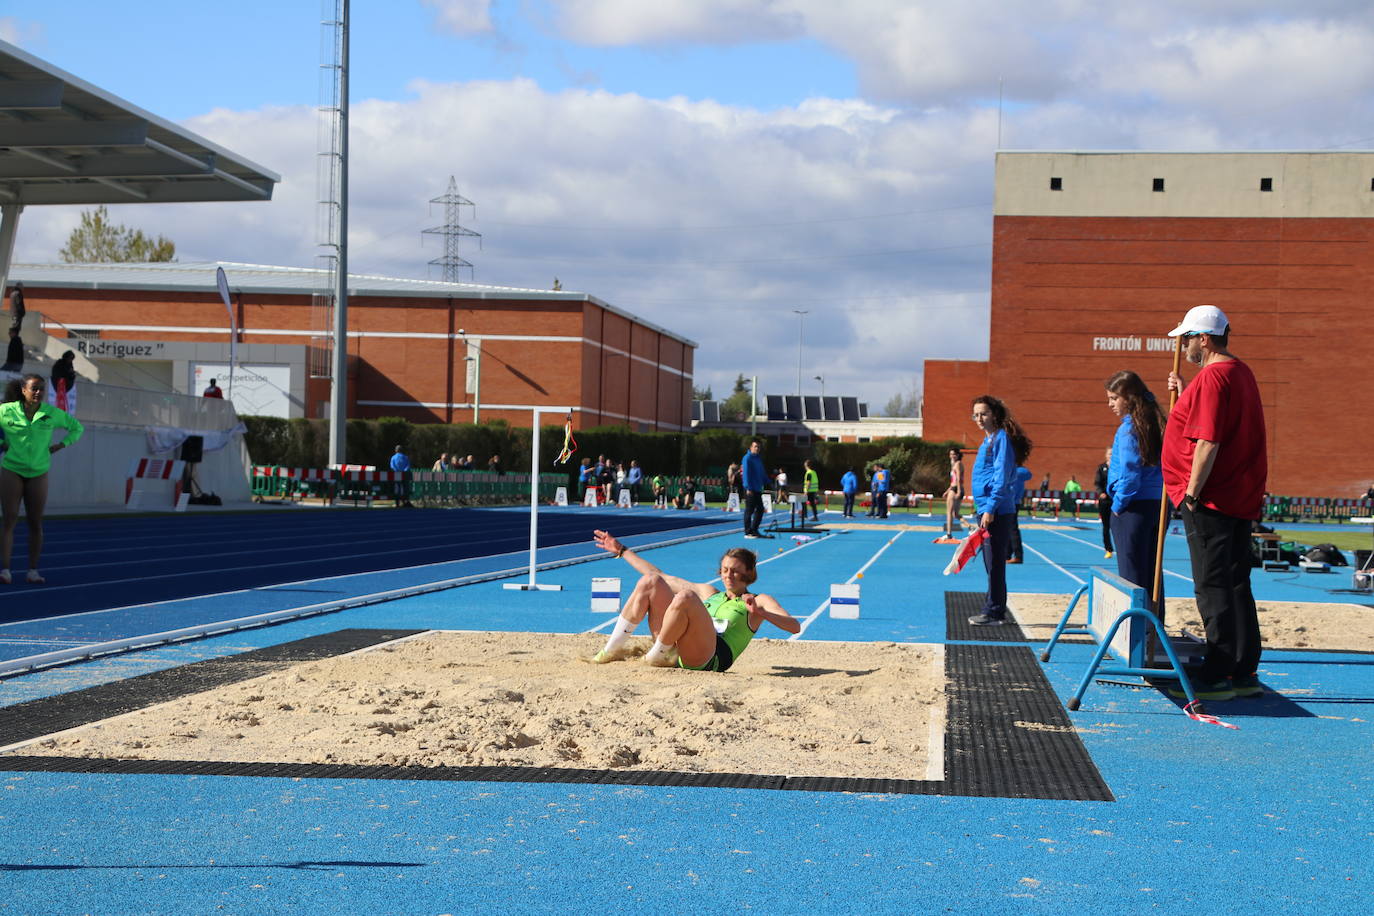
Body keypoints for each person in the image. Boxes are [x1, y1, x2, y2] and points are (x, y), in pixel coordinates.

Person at [1162, 304, 1267, 702]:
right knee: (1236, 582)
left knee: (1213, 585)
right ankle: (1243, 668)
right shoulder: (1238, 372)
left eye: (1187, 338)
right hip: (1236, 496)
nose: (1184, 345)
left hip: (1212, 499)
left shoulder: (1214, 378)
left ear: (1203, 339)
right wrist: (1187, 390)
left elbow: (1208, 440)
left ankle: (1218, 670)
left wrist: (1191, 492)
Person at [588, 529, 800, 669]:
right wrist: (622, 551)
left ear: (749, 573)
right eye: (725, 570)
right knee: (651, 581)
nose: (728, 575)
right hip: (676, 648)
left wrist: (762, 613)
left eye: (735, 571)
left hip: (709, 657)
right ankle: (610, 650)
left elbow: (794, 627)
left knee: (686, 596)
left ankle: (656, 656)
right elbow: (662, 577)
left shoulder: (758, 600)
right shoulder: (710, 593)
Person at [1, 374, 83, 585]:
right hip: (12, 470)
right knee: (9, 519)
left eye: (41, 389)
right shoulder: (6, 411)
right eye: (34, 388)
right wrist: (2, 441)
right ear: (23, 390)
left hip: (39, 472)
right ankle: (5, 570)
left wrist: (61, 444)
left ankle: (33, 570)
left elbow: (77, 428)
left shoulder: (51, 413)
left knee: (35, 522)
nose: (38, 393)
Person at [1104, 370, 1167, 622]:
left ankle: (1135, 633)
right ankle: (1154, 625)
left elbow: (1130, 473)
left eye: (1113, 398)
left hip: (1133, 507)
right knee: (1152, 572)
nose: (1110, 404)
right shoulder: (1156, 422)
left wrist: (1118, 504)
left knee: (1131, 574)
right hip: (1156, 504)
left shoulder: (1129, 429)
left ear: (1129, 397)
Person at [968, 395, 1033, 626]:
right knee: (990, 562)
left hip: (995, 509)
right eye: (975, 414)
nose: (979, 418)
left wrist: (990, 507)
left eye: (983, 413)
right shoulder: (988, 441)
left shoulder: (1000, 439)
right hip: (985, 507)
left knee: (995, 563)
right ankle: (993, 608)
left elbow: (1001, 476)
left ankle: (994, 611)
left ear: (994, 414)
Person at [741, 438, 767, 538]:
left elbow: (762, 472)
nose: (757, 449)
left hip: (757, 488)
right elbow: (746, 474)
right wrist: (748, 488)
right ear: (751, 447)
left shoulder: (758, 458)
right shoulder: (747, 458)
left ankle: (754, 529)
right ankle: (748, 532)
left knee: (760, 509)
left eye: (759, 447)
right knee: (749, 510)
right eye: (755, 446)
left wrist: (767, 481)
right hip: (750, 489)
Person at [938, 448, 964, 541]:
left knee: (949, 512)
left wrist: (959, 491)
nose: (952, 456)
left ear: (957, 455)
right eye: (950, 454)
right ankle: (970, 527)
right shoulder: (955, 465)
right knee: (955, 514)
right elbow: (953, 481)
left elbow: (958, 479)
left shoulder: (957, 464)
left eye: (954, 454)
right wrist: (947, 491)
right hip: (953, 489)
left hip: (956, 489)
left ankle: (949, 534)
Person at [1008, 465, 1032, 563]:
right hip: (1015, 501)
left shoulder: (1012, 471)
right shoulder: (1022, 472)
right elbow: (1029, 475)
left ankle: (1018, 555)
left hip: (1010, 501)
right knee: (1009, 529)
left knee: (1012, 529)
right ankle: (1008, 554)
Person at [1094, 447, 1113, 558]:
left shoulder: (1118, 467)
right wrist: (1101, 493)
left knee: (1117, 526)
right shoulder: (1102, 468)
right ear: (1106, 455)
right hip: (1105, 501)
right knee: (1106, 526)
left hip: (1116, 500)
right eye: (1109, 453)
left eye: (1112, 453)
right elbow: (1097, 483)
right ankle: (1108, 549)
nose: (1111, 455)